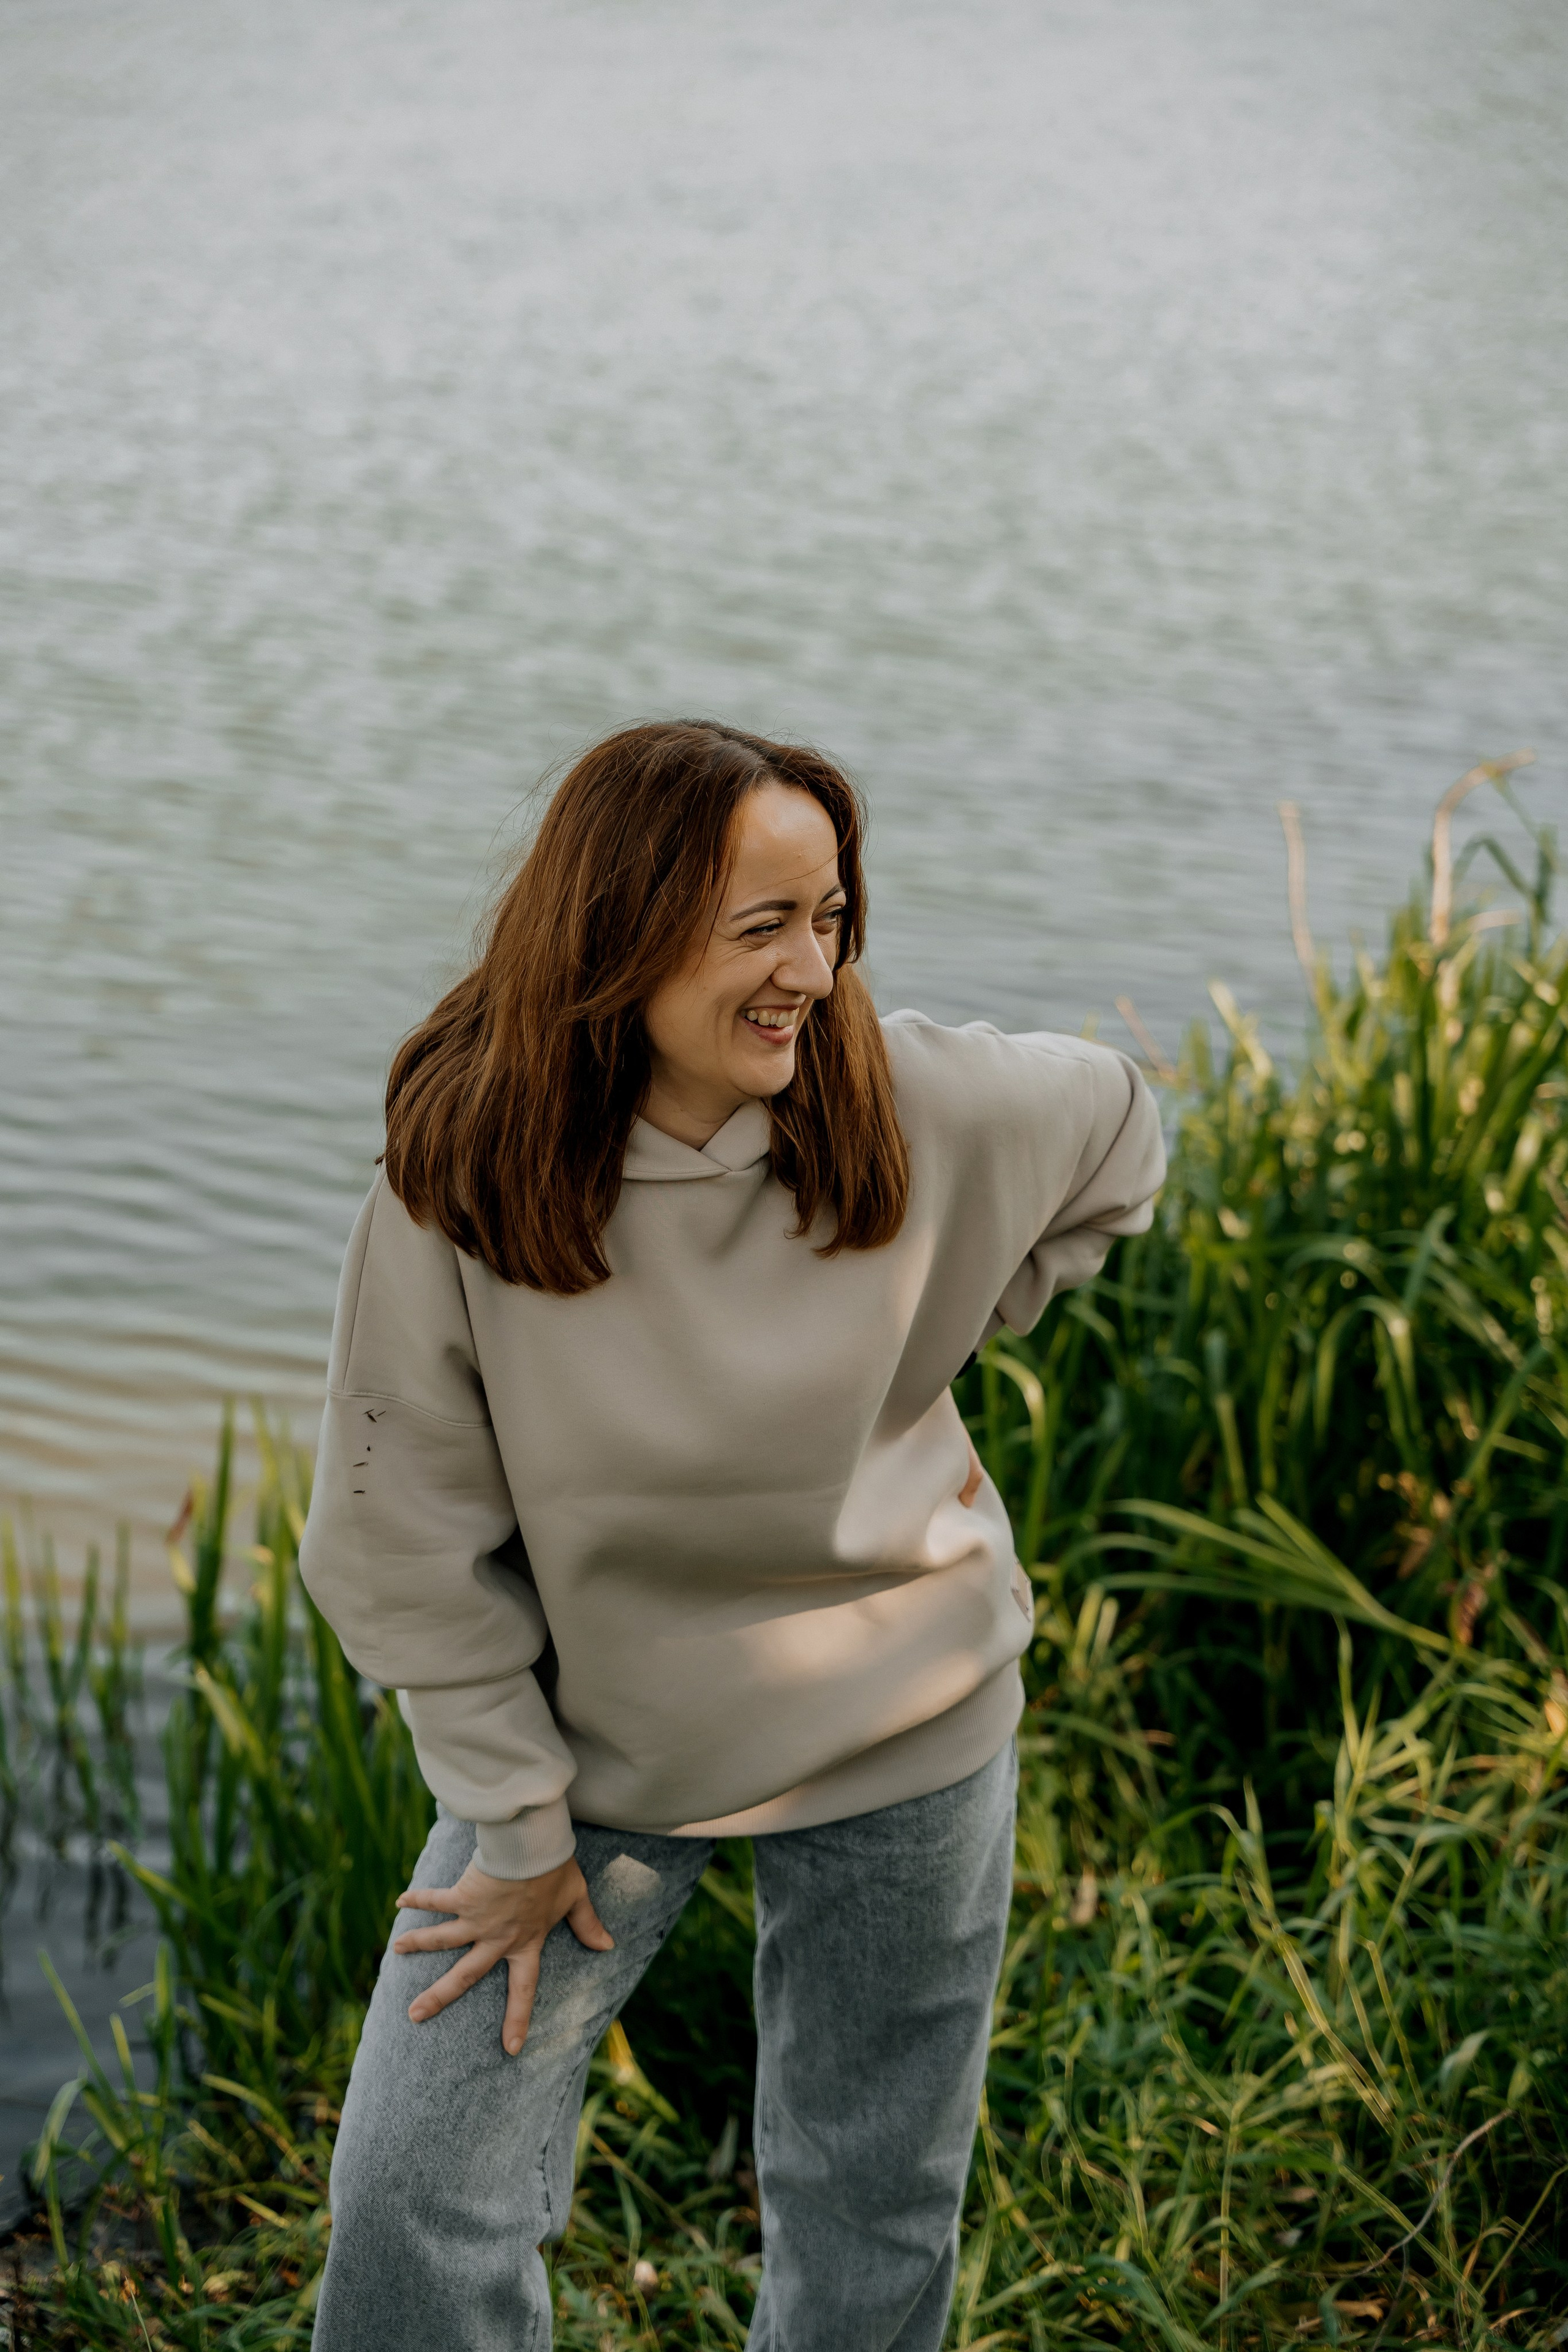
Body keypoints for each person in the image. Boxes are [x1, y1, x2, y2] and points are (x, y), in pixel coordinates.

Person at [299, 718, 1165, 2352]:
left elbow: (1123, 1129)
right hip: (597, 1758)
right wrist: (513, 1813)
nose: (812, 971)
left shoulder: (911, 1096)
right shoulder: (468, 1167)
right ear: (621, 926)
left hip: (913, 1721)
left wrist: (942, 1355)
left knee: (872, 2200)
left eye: (831, 918)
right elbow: (392, 1535)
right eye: (762, 925)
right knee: (419, 2202)